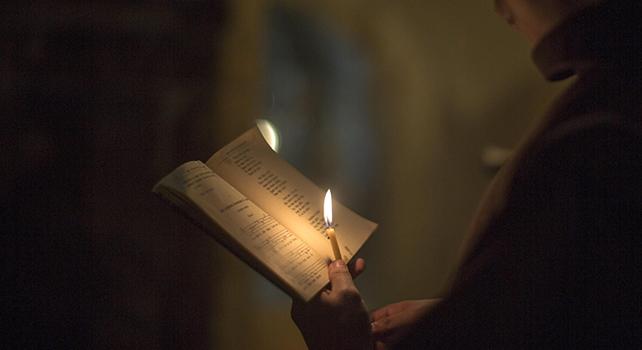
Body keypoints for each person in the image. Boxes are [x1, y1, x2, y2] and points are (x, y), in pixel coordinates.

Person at [291, 0, 641, 348]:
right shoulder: (612, 91)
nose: (500, 9)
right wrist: (459, 316)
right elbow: (569, 306)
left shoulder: (598, 129)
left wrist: (343, 344)